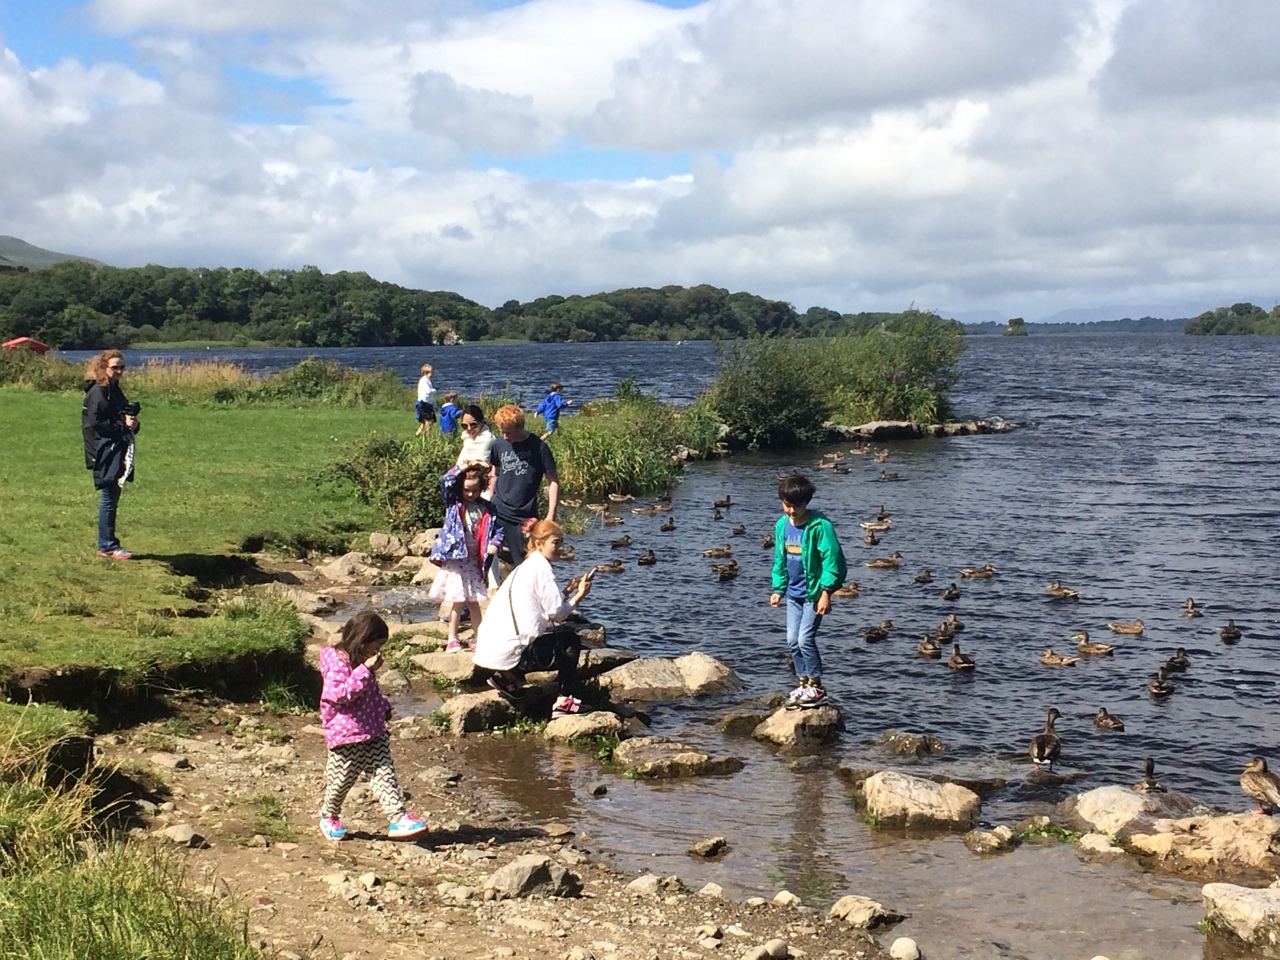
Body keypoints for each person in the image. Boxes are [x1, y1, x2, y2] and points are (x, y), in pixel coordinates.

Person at [318, 610, 428, 841]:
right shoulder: (339, 663)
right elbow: (339, 694)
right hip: (347, 733)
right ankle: (328, 816)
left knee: (384, 774)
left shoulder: (359, 662)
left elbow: (369, 692)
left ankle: (398, 818)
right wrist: (366, 670)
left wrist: (382, 707)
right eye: (376, 645)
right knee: (341, 779)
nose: (378, 651)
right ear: (361, 640)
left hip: (373, 730)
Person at [473, 520, 591, 718]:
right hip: (515, 654)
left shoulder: (527, 566)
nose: (560, 548)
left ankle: (505, 677)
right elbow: (559, 615)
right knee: (570, 640)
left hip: (491, 652)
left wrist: (567, 591)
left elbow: (543, 604)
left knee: (552, 635)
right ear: (539, 544)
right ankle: (563, 701)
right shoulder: (541, 568)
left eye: (562, 542)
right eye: (555, 543)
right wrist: (580, 596)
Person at [769, 473, 847, 709]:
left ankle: (817, 686)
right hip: (793, 595)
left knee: (805, 638)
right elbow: (780, 559)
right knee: (792, 640)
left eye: (797, 506)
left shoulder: (820, 526)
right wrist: (778, 588)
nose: (792, 511)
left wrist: (826, 592)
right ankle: (803, 685)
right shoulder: (782, 525)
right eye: (787, 505)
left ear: (807, 503)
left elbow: (833, 560)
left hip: (814, 595)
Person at [428, 463, 503, 651]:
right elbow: (446, 480)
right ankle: (452, 638)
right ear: (461, 488)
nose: (470, 494)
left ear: (482, 489)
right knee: (458, 600)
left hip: (475, 560)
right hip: (457, 559)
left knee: (474, 601)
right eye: (467, 490)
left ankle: (479, 638)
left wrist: (495, 543)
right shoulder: (454, 504)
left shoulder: (488, 508)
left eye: (475, 490)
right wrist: (465, 465)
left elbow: (498, 530)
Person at [82, 349, 140, 560]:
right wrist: (122, 424)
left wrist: (133, 423)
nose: (119, 371)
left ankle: (108, 543)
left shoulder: (114, 389)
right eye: (115, 367)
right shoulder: (98, 392)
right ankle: (107, 545)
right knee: (109, 496)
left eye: (122, 367)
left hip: (114, 445)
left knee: (113, 494)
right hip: (103, 448)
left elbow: (120, 414)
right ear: (104, 368)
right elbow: (97, 424)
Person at [489, 404, 559, 560]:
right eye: (502, 431)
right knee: (489, 554)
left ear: (520, 427)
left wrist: (550, 514)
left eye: (508, 432)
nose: (505, 436)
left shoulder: (539, 448)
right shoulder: (498, 445)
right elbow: (495, 472)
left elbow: (553, 481)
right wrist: (489, 497)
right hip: (498, 509)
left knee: (525, 560)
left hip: (524, 516)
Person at [455, 404, 495, 469]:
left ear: (482, 422)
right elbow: (459, 464)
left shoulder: (487, 439)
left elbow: (482, 466)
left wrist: (468, 464)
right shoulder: (467, 439)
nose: (469, 428)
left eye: (473, 424)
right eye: (465, 425)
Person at [414, 363, 436, 436]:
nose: (432, 374)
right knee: (429, 420)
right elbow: (428, 391)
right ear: (425, 373)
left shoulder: (428, 381)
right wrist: (434, 390)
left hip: (428, 403)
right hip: (424, 403)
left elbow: (430, 396)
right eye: (431, 372)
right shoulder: (424, 381)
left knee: (425, 421)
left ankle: (417, 434)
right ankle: (428, 435)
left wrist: (434, 404)